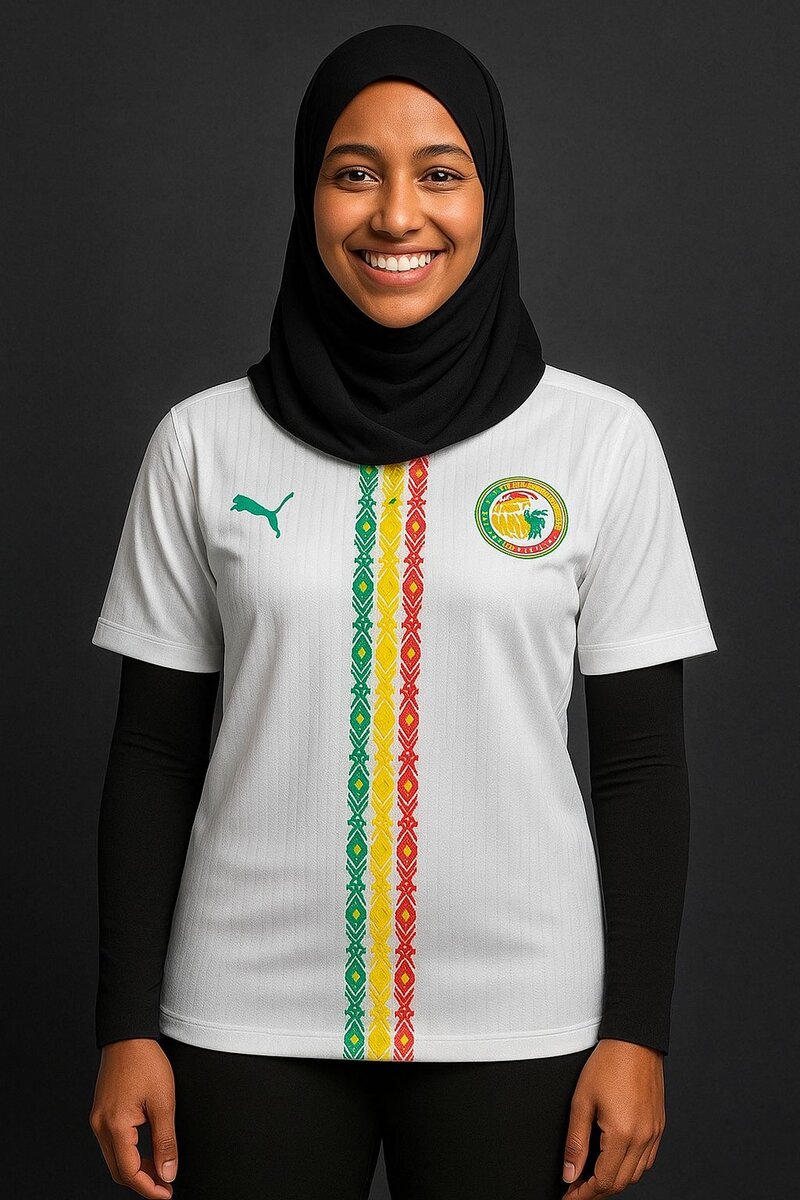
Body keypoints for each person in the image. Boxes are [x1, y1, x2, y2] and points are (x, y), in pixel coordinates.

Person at [87, 24, 717, 1200]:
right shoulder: (202, 441)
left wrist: (636, 1034)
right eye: (352, 172)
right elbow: (153, 752)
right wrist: (126, 1025)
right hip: (240, 1013)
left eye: (438, 172)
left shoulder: (598, 441)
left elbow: (639, 764)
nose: (394, 215)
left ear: (490, 193)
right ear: (306, 194)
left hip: (523, 1015)